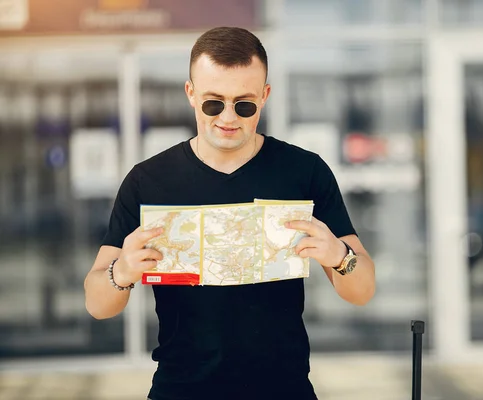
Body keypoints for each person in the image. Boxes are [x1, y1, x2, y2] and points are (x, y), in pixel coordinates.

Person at [84, 26, 376, 400]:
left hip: (283, 389)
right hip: (181, 389)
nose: (228, 117)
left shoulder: (304, 172)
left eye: (244, 104)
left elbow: (362, 289)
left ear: (265, 97)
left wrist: (339, 256)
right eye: (213, 102)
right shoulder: (148, 181)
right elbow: (96, 303)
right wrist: (121, 272)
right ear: (190, 94)